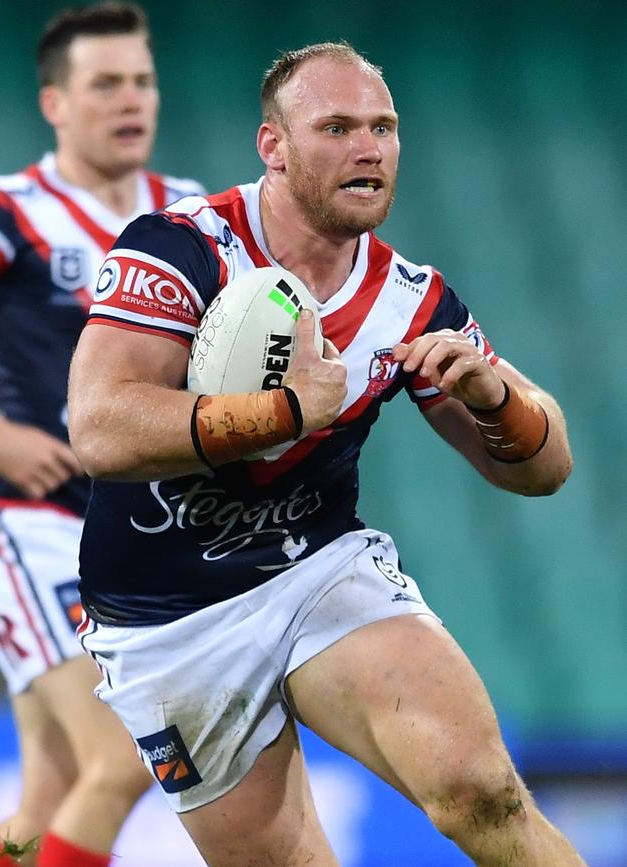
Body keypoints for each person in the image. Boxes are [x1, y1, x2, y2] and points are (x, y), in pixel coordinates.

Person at [66, 41, 586, 866]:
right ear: (272, 145)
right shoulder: (181, 249)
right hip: (166, 620)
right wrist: (282, 410)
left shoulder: (412, 298)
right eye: (337, 126)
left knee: (481, 791)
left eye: (384, 127)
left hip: (316, 571)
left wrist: (497, 401)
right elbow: (98, 428)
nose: (369, 148)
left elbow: (543, 469)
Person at [0, 3, 206, 866]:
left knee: (48, 791)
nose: (130, 99)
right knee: (123, 757)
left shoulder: (186, 212)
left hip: (128, 532)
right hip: (26, 525)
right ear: (56, 105)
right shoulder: (6, 210)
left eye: (141, 81)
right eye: (104, 84)